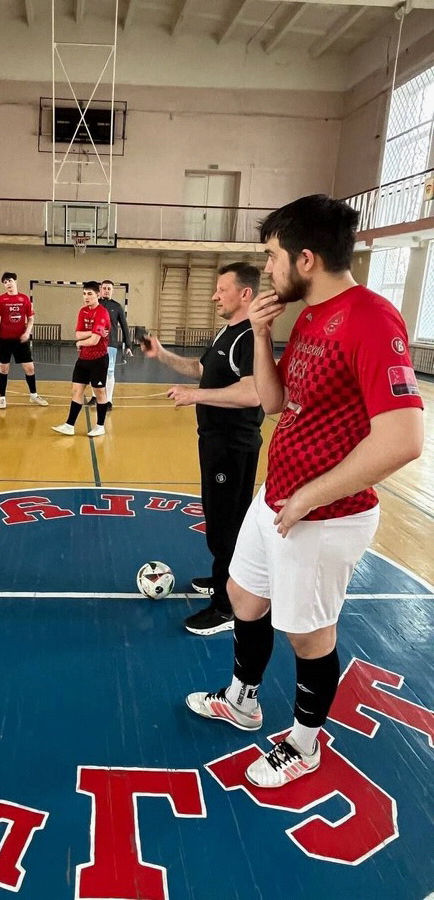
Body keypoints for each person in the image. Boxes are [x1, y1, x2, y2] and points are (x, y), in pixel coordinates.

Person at [186, 194, 423, 788]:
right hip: (280, 496)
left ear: (306, 258)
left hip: (324, 513)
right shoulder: (312, 316)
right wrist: (262, 332)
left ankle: (304, 743)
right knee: (243, 595)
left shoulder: (371, 319)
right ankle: (243, 701)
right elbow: (275, 403)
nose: (267, 268)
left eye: (272, 256)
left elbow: (403, 439)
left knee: (308, 634)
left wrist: (310, 497)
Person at [141, 263, 264, 636]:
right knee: (218, 518)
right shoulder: (227, 333)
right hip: (214, 442)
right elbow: (201, 369)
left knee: (226, 526)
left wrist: (195, 396)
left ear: (245, 293)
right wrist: (163, 355)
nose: (214, 296)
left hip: (233, 445)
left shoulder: (250, 337)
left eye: (222, 289)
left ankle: (227, 608)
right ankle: (221, 578)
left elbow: (253, 392)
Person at [52, 281, 110, 437]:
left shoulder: (102, 313)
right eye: (84, 294)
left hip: (98, 359)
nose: (86, 297)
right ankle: (69, 425)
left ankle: (100, 426)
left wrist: (80, 342)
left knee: (99, 392)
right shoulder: (83, 311)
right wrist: (93, 331)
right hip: (83, 359)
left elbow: (94, 341)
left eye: (90, 294)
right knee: (77, 391)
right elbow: (78, 333)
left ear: (98, 294)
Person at [0, 272, 47, 409]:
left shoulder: (24, 299)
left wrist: (27, 332)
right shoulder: (1, 300)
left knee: (30, 368)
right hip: (4, 339)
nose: (7, 284)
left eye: (9, 280)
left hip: (20, 340)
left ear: (15, 281)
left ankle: (33, 395)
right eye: (5, 282)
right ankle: (2, 398)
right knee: (3, 368)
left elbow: (31, 318)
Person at [85, 280, 133, 409]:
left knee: (109, 372)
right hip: (94, 343)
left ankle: (109, 401)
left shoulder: (117, 307)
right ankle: (95, 396)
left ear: (112, 291)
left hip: (110, 344)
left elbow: (124, 326)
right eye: (104, 288)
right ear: (100, 290)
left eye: (109, 289)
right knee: (94, 371)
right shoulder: (94, 305)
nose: (106, 291)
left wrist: (128, 345)